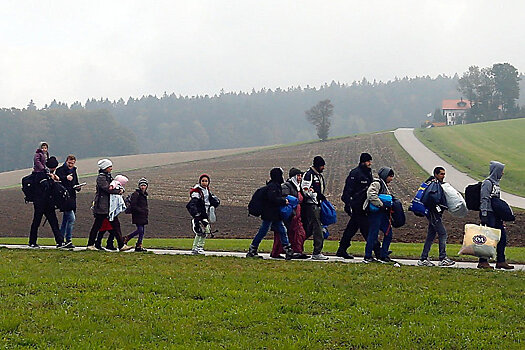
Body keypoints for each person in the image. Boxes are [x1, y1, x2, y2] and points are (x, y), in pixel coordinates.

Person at [337, 153, 381, 259]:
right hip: (357, 207)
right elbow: (348, 190)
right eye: (368, 161)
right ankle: (378, 251)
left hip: (364, 206)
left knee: (351, 229)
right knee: (366, 229)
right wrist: (348, 204)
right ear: (362, 161)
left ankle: (342, 249)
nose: (370, 163)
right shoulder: (355, 173)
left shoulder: (368, 173)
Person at [86, 159, 133, 252]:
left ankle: (121, 245)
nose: (111, 168)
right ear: (105, 168)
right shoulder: (101, 178)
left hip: (109, 207)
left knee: (115, 225)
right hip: (102, 206)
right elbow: (107, 189)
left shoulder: (107, 176)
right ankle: (90, 244)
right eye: (109, 167)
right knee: (97, 225)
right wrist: (118, 191)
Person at [246, 168, 293, 260]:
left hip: (272, 214)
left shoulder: (272, 186)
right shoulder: (274, 187)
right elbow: (273, 199)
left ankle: (287, 249)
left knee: (280, 230)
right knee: (267, 231)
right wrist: (284, 201)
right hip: (270, 214)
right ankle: (253, 249)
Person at [478, 161, 514, 269]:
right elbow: (484, 198)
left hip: (496, 214)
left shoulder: (496, 184)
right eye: (501, 171)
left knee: (502, 237)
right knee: (488, 237)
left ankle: (501, 261)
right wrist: (484, 214)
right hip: (488, 213)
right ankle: (483, 261)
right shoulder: (487, 183)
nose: (502, 173)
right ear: (496, 171)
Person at [417, 167, 455, 267]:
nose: (443, 176)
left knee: (431, 236)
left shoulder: (431, 183)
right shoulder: (434, 184)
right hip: (434, 213)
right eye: (441, 174)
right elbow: (433, 198)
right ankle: (442, 258)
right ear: (436, 174)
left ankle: (423, 258)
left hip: (432, 212)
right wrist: (440, 205)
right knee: (443, 233)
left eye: (444, 174)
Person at [28, 156, 65, 248]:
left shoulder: (46, 173)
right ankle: (32, 242)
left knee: (53, 222)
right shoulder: (41, 174)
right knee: (38, 222)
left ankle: (60, 241)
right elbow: (46, 187)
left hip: (47, 202)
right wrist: (52, 180)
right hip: (41, 202)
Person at [270, 168, 308, 259]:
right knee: (282, 234)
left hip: (297, 215)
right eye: (298, 176)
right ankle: (276, 252)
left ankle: (297, 251)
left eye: (301, 176)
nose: (300, 178)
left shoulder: (298, 187)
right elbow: (284, 198)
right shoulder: (287, 186)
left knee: (299, 233)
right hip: (289, 215)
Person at [363, 167, 396, 263]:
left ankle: (383, 255)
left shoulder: (384, 185)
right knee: (373, 234)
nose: (391, 179)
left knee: (388, 233)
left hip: (383, 214)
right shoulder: (377, 184)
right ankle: (367, 256)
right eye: (390, 176)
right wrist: (381, 205)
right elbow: (371, 195)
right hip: (376, 213)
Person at [302, 156, 328, 260]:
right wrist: (316, 195)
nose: (323, 168)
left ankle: (295, 246)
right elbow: (305, 190)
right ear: (317, 165)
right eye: (322, 166)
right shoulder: (309, 175)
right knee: (318, 228)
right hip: (311, 205)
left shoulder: (318, 176)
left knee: (309, 228)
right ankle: (317, 252)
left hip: (317, 204)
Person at [186, 174, 220, 255]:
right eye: (203, 181)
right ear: (200, 182)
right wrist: (196, 214)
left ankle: (195, 248)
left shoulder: (207, 191)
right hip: (200, 214)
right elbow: (192, 204)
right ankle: (199, 247)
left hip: (205, 213)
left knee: (200, 232)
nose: (204, 183)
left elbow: (212, 200)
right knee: (205, 231)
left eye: (206, 181)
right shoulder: (197, 192)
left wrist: (214, 204)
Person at [55, 155, 81, 249]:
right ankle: (68, 240)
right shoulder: (60, 170)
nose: (71, 165)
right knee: (71, 219)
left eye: (72, 163)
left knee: (65, 221)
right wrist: (66, 178)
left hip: (72, 197)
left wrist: (78, 187)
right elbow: (58, 182)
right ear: (66, 161)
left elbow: (76, 182)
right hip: (64, 198)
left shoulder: (74, 170)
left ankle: (60, 240)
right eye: (69, 163)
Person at [123, 178, 150, 252]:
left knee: (142, 231)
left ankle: (139, 245)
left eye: (144, 185)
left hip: (143, 215)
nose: (143, 187)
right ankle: (128, 238)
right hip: (138, 215)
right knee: (140, 230)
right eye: (142, 185)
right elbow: (133, 205)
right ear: (139, 186)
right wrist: (141, 211)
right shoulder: (136, 194)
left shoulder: (144, 195)